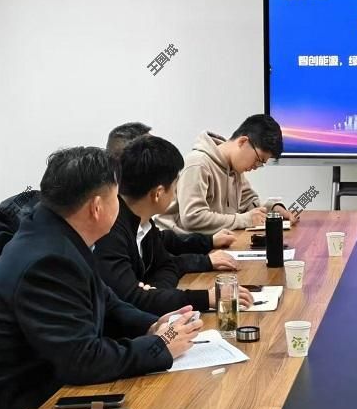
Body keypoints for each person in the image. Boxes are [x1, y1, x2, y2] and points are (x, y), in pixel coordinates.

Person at [0, 147, 202, 409]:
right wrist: (160, 346)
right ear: (97, 207)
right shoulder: (47, 259)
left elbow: (106, 298)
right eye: (116, 197)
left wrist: (152, 325)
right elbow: (82, 360)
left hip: (40, 391)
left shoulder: (56, 233)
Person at [94, 135, 253, 315]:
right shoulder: (109, 232)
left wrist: (156, 293)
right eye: (175, 186)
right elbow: (132, 300)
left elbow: (168, 265)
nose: (176, 193)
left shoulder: (143, 223)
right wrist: (205, 298)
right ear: (158, 193)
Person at [105, 121, 238, 274]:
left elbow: (163, 248)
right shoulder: (110, 224)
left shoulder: (139, 216)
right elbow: (141, 282)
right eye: (151, 149)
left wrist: (209, 241)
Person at [158, 114, 298, 233]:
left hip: (211, 244)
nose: (256, 167)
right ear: (243, 141)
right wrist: (244, 220)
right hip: (177, 248)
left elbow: (249, 203)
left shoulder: (234, 169)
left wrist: (273, 210)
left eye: (261, 163)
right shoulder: (198, 164)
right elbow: (192, 218)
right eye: (258, 160)